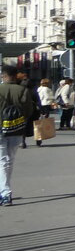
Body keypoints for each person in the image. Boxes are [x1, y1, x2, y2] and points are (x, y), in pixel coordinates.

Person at [0, 65, 37, 206]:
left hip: (0, 128)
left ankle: (5, 193)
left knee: (3, 161)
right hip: (16, 128)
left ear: (3, 76)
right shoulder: (22, 90)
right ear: (15, 76)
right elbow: (29, 110)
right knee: (9, 160)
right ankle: (5, 190)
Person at [35, 78, 54, 146]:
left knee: (41, 116)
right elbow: (46, 96)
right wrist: (52, 98)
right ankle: (44, 128)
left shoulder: (39, 89)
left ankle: (42, 126)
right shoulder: (46, 89)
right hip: (46, 103)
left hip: (41, 104)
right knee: (46, 117)